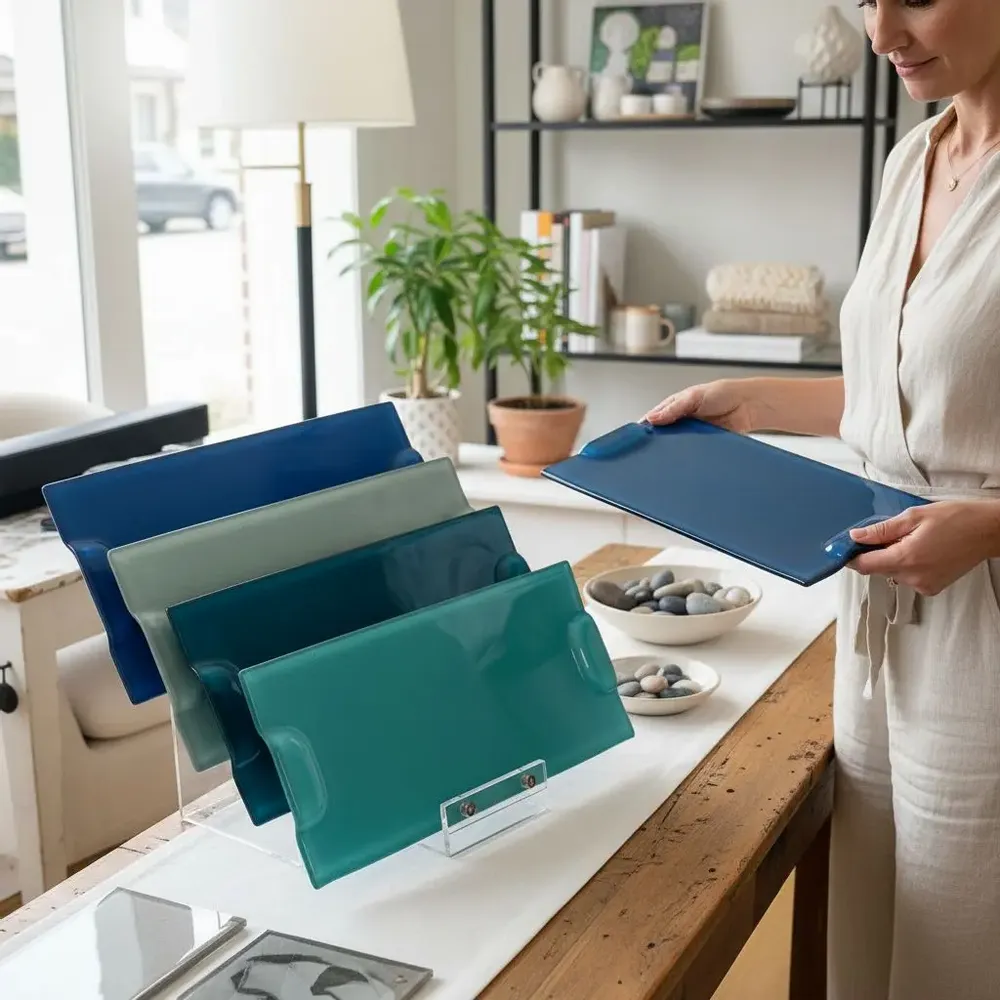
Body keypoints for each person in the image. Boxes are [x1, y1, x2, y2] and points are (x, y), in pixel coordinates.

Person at [644, 2, 1000, 997]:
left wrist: (989, 526)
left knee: (960, 960)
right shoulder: (909, 159)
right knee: (868, 947)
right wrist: (750, 401)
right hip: (876, 637)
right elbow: (914, 401)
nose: (882, 30)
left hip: (986, 656)